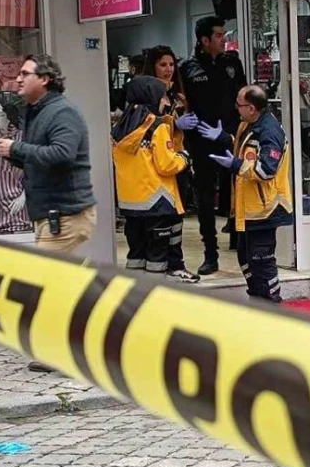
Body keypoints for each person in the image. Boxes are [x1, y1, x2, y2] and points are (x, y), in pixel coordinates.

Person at [0, 55, 95, 372]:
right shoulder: (37, 112)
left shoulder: (61, 112)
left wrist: (17, 150)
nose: (19, 79)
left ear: (46, 78)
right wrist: (15, 155)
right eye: (19, 74)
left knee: (45, 282)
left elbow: (62, 155)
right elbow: (43, 160)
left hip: (64, 215)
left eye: (26, 73)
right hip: (51, 213)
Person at [206, 85, 293, 303]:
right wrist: (224, 139)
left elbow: (266, 170)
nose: (236, 107)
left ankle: (271, 303)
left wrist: (235, 164)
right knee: (246, 257)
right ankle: (256, 299)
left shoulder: (269, 132)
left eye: (239, 104)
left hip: (266, 208)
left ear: (252, 108)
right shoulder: (248, 125)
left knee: (262, 259)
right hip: (249, 208)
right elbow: (245, 150)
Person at [111, 76, 200, 283]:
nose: (165, 102)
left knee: (136, 255)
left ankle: (132, 296)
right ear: (150, 97)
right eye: (161, 97)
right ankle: (154, 299)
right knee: (157, 258)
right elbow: (166, 165)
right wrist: (184, 158)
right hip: (156, 202)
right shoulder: (156, 126)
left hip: (130, 203)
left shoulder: (120, 128)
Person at [179, 16, 247, 276]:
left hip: (230, 137)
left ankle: (240, 244)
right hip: (201, 141)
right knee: (205, 199)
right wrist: (181, 123)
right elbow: (181, 100)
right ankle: (210, 253)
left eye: (224, 34)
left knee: (239, 190)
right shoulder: (188, 67)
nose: (224, 39)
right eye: (219, 35)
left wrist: (235, 132)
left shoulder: (232, 63)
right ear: (204, 40)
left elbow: (244, 96)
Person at [145, 45, 199, 209]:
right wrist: (174, 124)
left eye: (171, 64)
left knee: (178, 206)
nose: (168, 69)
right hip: (156, 158)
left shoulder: (178, 96)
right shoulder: (147, 96)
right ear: (153, 67)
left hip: (178, 157)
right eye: (163, 65)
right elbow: (146, 127)